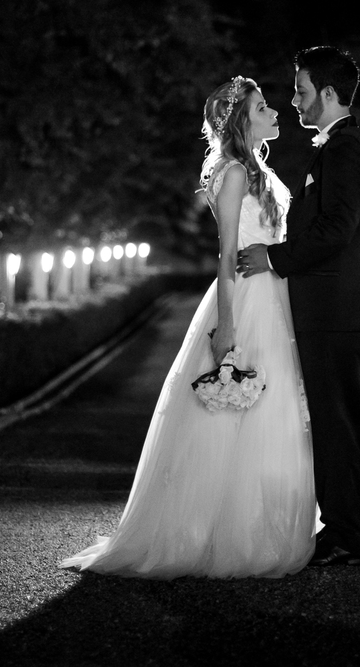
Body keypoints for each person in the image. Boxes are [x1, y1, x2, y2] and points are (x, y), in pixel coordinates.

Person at [59, 76, 317, 579]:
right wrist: (227, 326)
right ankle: (222, 535)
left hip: (274, 293)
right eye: (263, 108)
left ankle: (262, 525)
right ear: (242, 121)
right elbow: (226, 255)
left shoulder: (258, 169)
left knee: (272, 411)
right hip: (247, 298)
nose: (275, 112)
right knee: (237, 409)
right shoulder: (235, 173)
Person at [237, 46, 360, 568]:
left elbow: (336, 230)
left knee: (337, 423)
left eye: (301, 90)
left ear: (328, 93)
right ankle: (342, 529)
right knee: (335, 421)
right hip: (336, 307)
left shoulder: (345, 148)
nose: (294, 101)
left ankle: (346, 535)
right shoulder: (338, 146)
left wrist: (273, 258)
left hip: (337, 308)